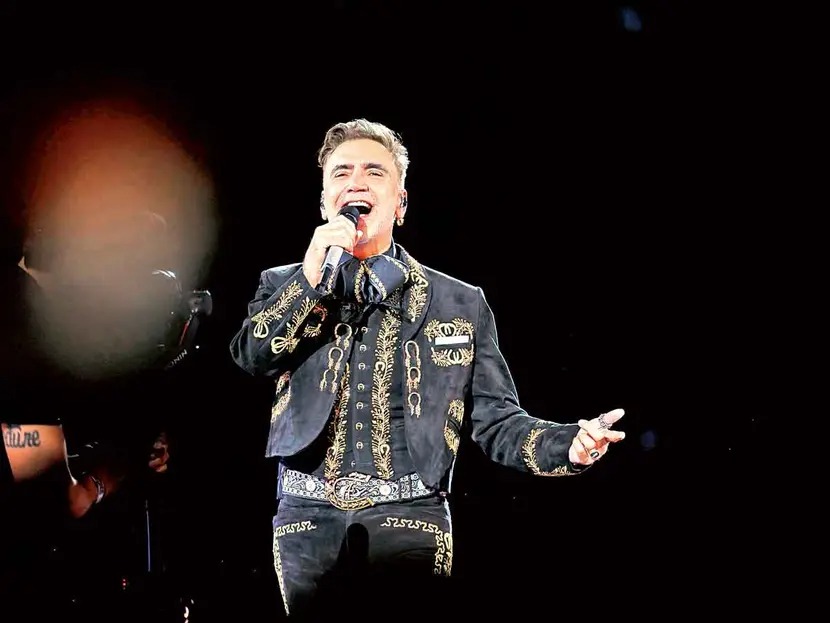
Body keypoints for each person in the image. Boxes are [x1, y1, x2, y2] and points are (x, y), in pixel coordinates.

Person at [228, 118, 627, 620]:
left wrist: (567, 444)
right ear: (325, 201)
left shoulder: (458, 302)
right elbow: (251, 356)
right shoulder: (283, 284)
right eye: (341, 173)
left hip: (411, 515)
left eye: (374, 172)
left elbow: (496, 421)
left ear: (400, 203)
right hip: (306, 518)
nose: (356, 182)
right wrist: (310, 280)